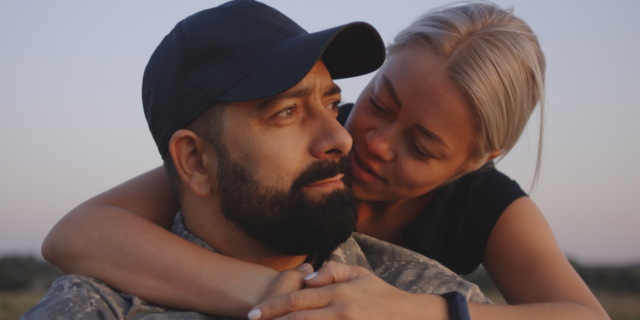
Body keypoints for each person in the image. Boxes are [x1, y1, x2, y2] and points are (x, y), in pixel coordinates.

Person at [42, 2, 610, 320]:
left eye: (421, 146)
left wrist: (421, 314)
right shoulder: (287, 155)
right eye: (375, 103)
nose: (364, 141)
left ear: (472, 163)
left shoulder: (481, 213)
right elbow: (80, 233)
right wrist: (274, 296)